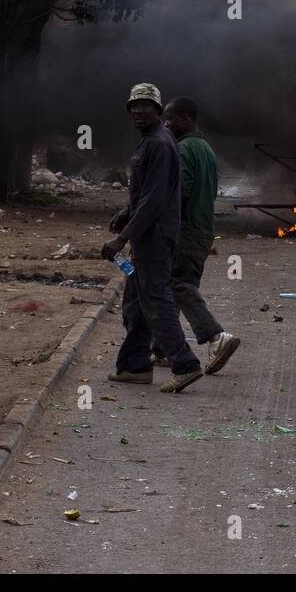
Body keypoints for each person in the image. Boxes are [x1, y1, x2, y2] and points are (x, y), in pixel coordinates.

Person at [102, 83, 202, 393]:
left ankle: (185, 365)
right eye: (133, 105)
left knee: (156, 300)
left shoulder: (159, 143)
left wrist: (123, 238)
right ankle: (134, 366)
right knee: (135, 301)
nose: (138, 110)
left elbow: (155, 199)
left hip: (154, 240)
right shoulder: (149, 142)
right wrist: (126, 211)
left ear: (158, 110)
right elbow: (145, 192)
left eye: (146, 105)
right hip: (146, 239)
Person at [161, 96, 241, 375]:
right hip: (203, 230)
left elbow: (179, 192)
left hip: (185, 230)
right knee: (176, 287)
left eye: (169, 118)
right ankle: (163, 348)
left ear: (186, 119)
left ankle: (217, 338)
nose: (165, 124)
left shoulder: (183, 149)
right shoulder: (205, 148)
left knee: (179, 284)